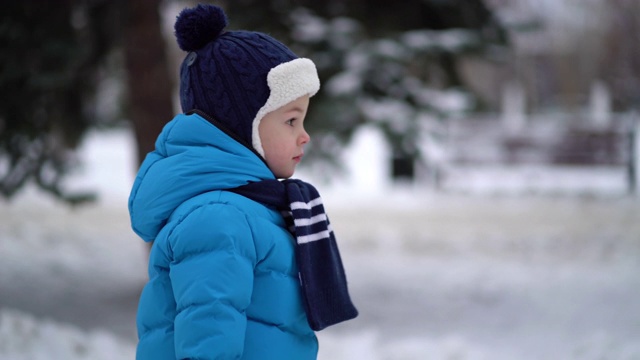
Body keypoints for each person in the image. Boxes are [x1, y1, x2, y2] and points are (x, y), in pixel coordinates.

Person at [128, 4, 357, 360]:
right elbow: (208, 343)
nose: (304, 136)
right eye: (291, 121)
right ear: (241, 127)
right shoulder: (219, 219)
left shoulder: (253, 208)